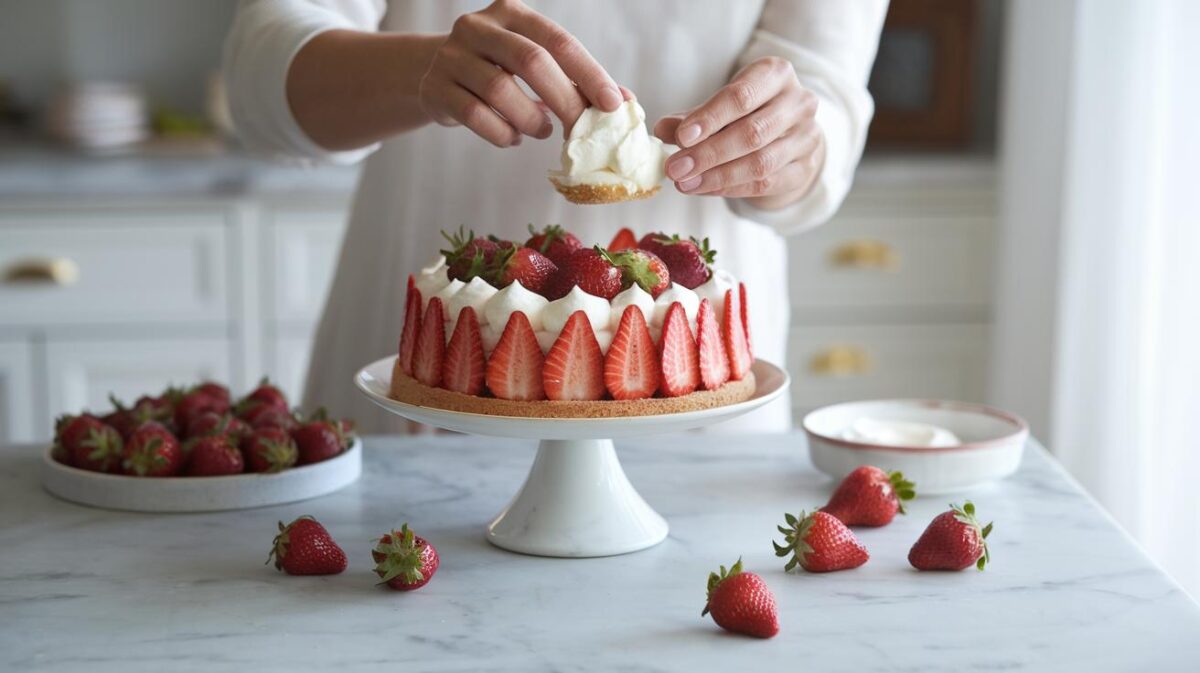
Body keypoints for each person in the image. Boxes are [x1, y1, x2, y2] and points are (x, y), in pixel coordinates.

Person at [224, 0, 887, 432]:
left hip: (691, 390)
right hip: (421, 377)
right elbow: (259, 74)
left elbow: (823, 99)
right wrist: (422, 70)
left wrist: (789, 145)